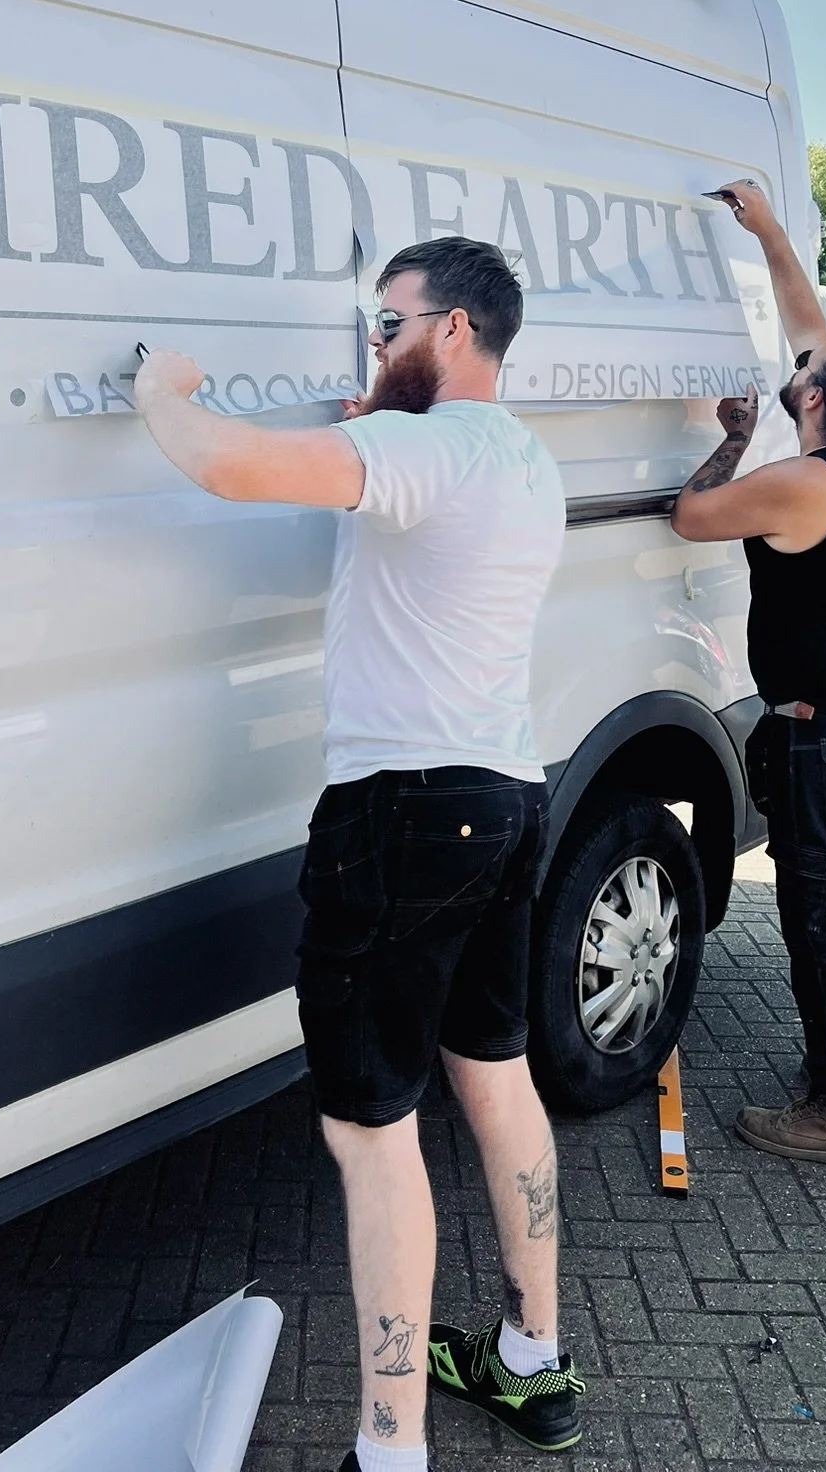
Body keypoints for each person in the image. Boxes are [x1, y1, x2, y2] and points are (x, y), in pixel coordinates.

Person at [134, 237, 586, 1471]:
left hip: (401, 816)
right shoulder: (515, 454)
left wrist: (159, 390)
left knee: (373, 1130)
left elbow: (225, 463)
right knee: (495, 1075)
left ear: (451, 331)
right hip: (506, 797)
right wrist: (376, 427)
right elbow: (406, 502)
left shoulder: (421, 452)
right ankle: (534, 1362)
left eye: (386, 326)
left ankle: (390, 1446)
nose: (373, 345)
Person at [670, 180, 826, 1172]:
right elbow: (813, 323)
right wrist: (770, 232)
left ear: (814, 398)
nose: (797, 364)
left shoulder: (804, 480)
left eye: (802, 371)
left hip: (825, 738)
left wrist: (731, 435)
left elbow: (695, 515)